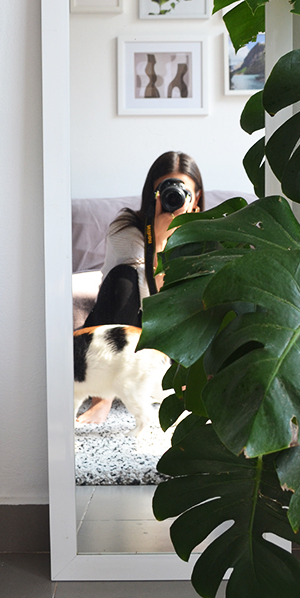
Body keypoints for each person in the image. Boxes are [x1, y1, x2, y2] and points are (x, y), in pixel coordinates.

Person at [76, 151, 204, 423]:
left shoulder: (205, 234)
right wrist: (157, 243)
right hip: (126, 326)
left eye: (183, 192)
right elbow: (148, 301)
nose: (174, 198)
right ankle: (103, 399)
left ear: (197, 198)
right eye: (167, 190)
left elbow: (179, 306)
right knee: (124, 277)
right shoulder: (126, 227)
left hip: (170, 336)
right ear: (152, 193)